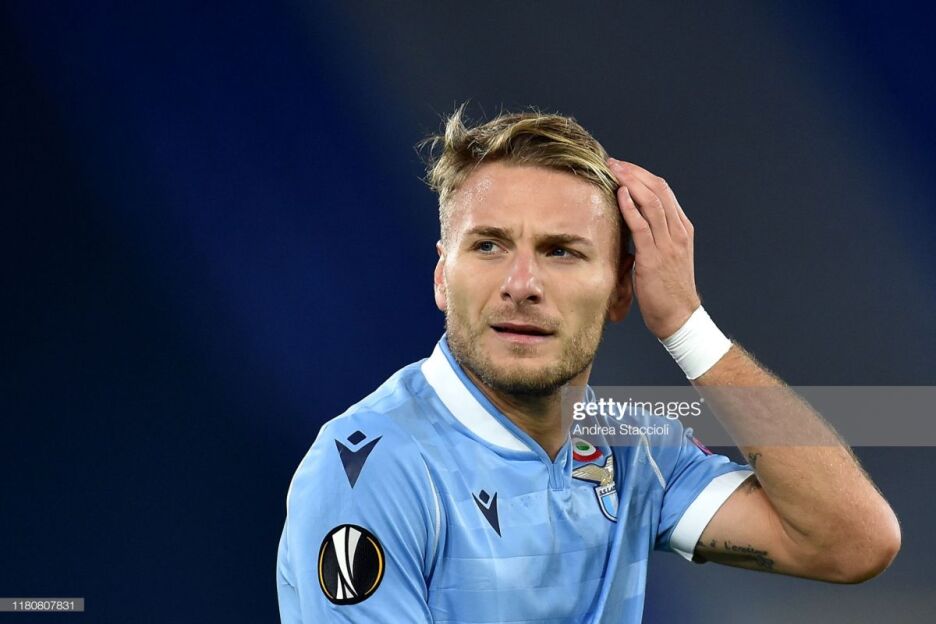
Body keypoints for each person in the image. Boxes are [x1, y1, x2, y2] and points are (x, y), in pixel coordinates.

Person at [275, 105, 901, 623]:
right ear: (443, 276)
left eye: (561, 252)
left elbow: (852, 543)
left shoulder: (633, 449)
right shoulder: (371, 469)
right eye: (489, 246)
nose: (521, 284)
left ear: (622, 289)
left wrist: (688, 327)